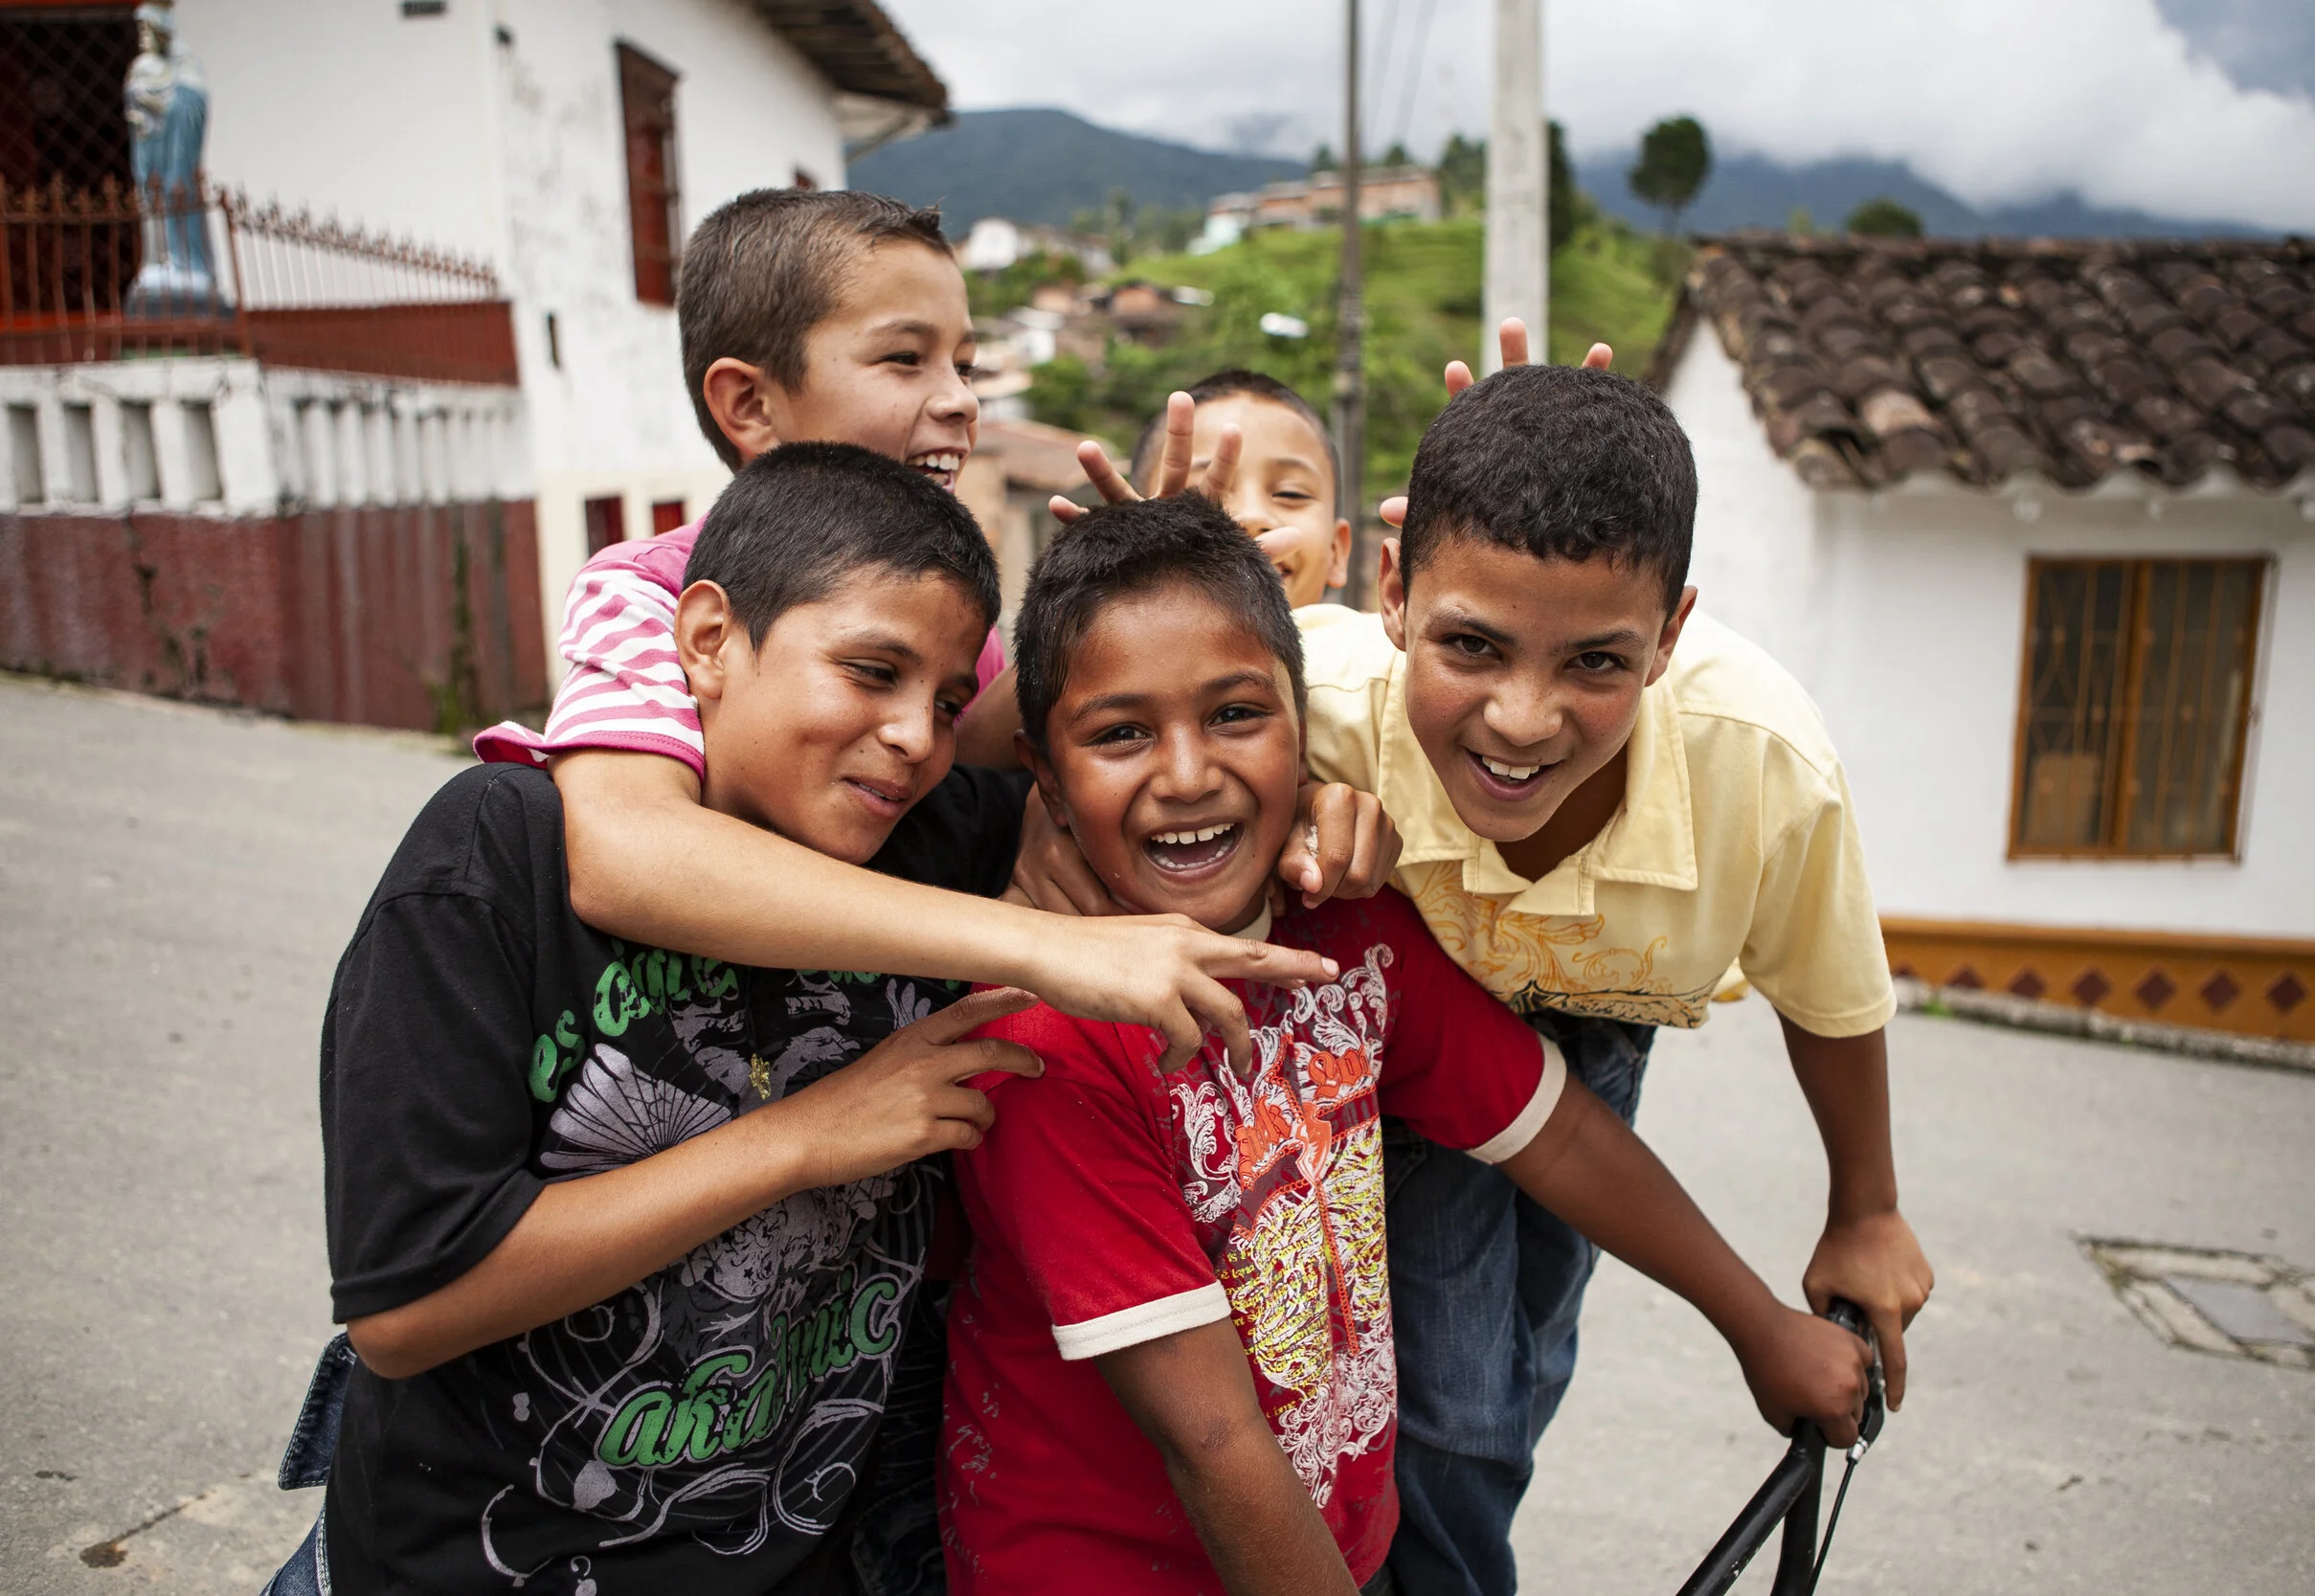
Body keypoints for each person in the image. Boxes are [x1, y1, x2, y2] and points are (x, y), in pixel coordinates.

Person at [935, 496, 1875, 1596]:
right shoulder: (1047, 1041)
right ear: (1043, 779)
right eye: (1121, 732)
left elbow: (1559, 1133)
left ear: (1310, 733)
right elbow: (1213, 1440)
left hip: (1331, 1548)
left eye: (1237, 714)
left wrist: (1758, 1323)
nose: (1187, 772)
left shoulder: (1357, 932)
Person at [314, 443, 1070, 1593]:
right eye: (871, 670)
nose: (920, 736)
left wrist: (1332, 800)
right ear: (709, 638)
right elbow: (404, 1310)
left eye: (949, 699)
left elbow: (1146, 782)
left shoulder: (928, 838)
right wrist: (802, 1137)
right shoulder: (498, 856)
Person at [478, 188, 1388, 1076]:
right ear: (749, 406)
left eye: (965, 363)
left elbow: (1039, 768)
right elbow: (624, 854)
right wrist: (1034, 943)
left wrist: (1140, 597)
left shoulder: (969, 637)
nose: (959, 399)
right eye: (905, 359)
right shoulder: (648, 589)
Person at [1286, 355, 1939, 1595]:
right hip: (1390, 1048)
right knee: (1447, 1409)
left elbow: (1830, 994)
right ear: (1389, 587)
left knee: (1513, 1380)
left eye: (1595, 661)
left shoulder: (1761, 761)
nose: (1522, 719)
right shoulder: (1307, 698)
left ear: (1672, 633)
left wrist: (1866, 1207)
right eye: (1471, 644)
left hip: (1597, 1038)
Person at [1126, 371, 1352, 608]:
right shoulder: (1109, 642)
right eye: (1199, 497)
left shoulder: (1378, 641)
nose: (1252, 516)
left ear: (1336, 552)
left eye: (1291, 493)